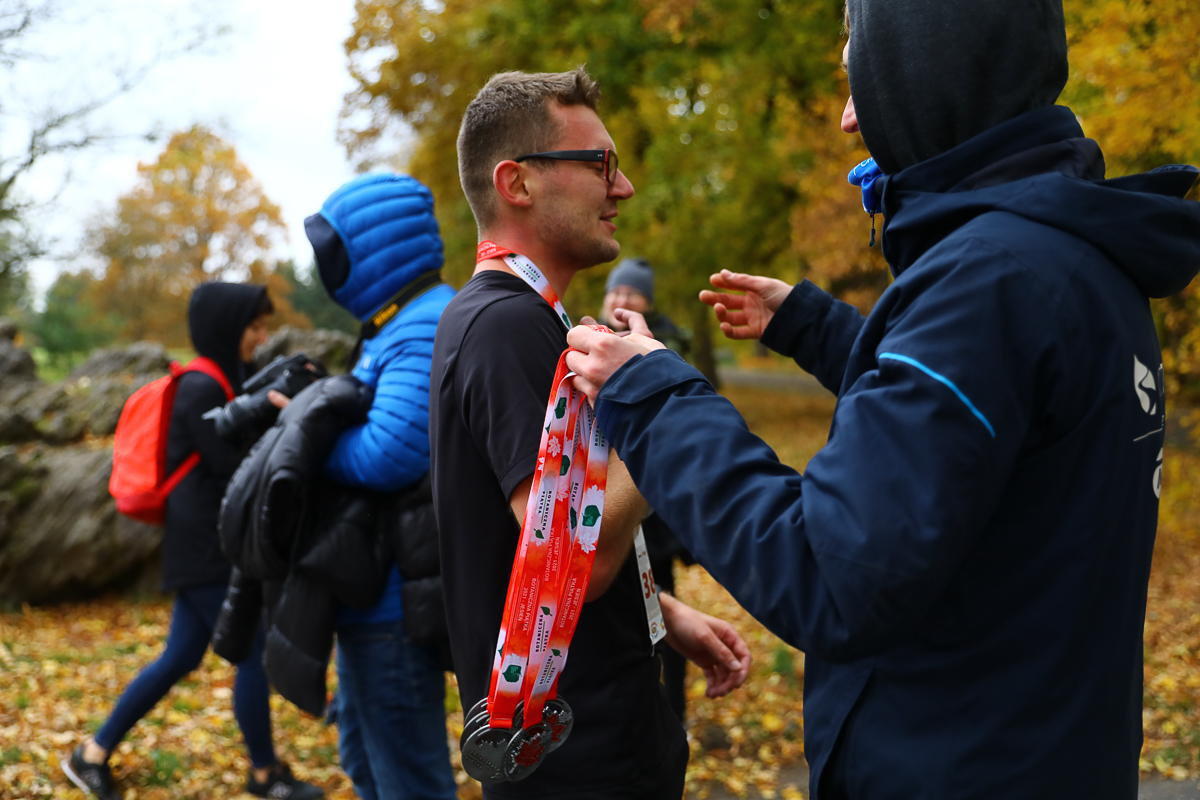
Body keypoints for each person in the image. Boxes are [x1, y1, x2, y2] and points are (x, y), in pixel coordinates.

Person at [563, 2, 1200, 798]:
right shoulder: (1071, 256)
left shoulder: (989, 284)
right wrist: (813, 326)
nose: (845, 118)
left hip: (957, 765)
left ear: (932, 72)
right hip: (1046, 749)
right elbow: (963, 429)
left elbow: (830, 572)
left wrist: (653, 396)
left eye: (859, 76)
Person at [429, 68, 751, 799]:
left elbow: (529, 541)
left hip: (597, 740)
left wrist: (661, 617)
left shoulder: (520, 318)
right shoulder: (506, 327)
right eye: (600, 163)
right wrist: (659, 393)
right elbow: (581, 560)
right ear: (518, 183)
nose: (624, 186)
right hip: (581, 764)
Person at [65, 283, 323, 800]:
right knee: (250, 653)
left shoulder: (226, 380)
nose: (261, 336)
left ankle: (91, 753)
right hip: (205, 548)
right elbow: (231, 470)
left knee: (180, 656)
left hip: (205, 545)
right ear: (230, 328)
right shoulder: (203, 388)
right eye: (254, 327)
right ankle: (264, 774)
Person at [302, 172, 459, 800]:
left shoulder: (422, 325)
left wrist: (307, 444)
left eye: (331, 250)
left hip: (393, 606)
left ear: (370, 249)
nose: (323, 266)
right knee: (365, 761)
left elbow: (391, 452)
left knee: (409, 781)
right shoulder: (394, 325)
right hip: (370, 595)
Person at [597, 257, 694, 721]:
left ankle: (672, 707)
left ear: (647, 301)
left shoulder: (662, 346)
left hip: (654, 510)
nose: (620, 300)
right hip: (616, 493)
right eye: (615, 292)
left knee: (662, 605)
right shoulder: (598, 338)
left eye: (630, 294)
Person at [599, 258, 689, 355]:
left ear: (648, 303)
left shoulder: (666, 342)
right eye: (615, 292)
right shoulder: (591, 332)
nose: (622, 301)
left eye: (632, 294)